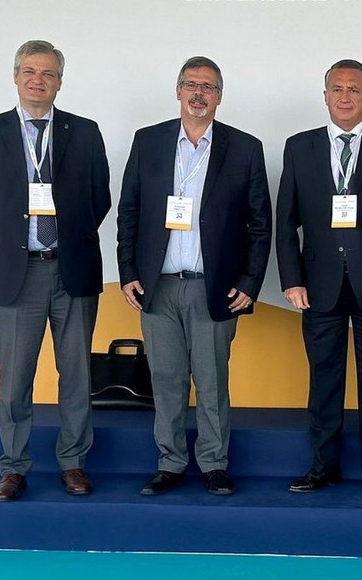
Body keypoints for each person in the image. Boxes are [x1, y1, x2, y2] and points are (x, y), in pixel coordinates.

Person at [117, 56, 272, 496]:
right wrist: (127, 271)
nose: (198, 93)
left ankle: (214, 464)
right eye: (190, 84)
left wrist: (250, 282)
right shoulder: (148, 142)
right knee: (166, 380)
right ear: (178, 90)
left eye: (208, 86)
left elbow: (260, 224)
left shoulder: (244, 148)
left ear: (220, 96)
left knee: (211, 380)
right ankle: (169, 463)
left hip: (214, 285)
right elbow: (129, 211)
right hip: (157, 286)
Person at [276, 59, 362, 496]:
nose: (345, 96)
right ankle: (323, 465)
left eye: (354, 89)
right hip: (318, 286)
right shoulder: (300, 147)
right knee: (324, 380)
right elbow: (285, 221)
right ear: (325, 97)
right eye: (337, 88)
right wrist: (292, 278)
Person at [0, 40, 111, 501]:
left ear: (60, 81)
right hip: (15, 272)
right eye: (29, 71)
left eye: (47, 73)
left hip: (72, 268)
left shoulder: (84, 131)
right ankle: (13, 466)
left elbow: (99, 196)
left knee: (77, 374)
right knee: (15, 377)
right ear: (16, 76)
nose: (37, 79)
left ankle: (73, 463)